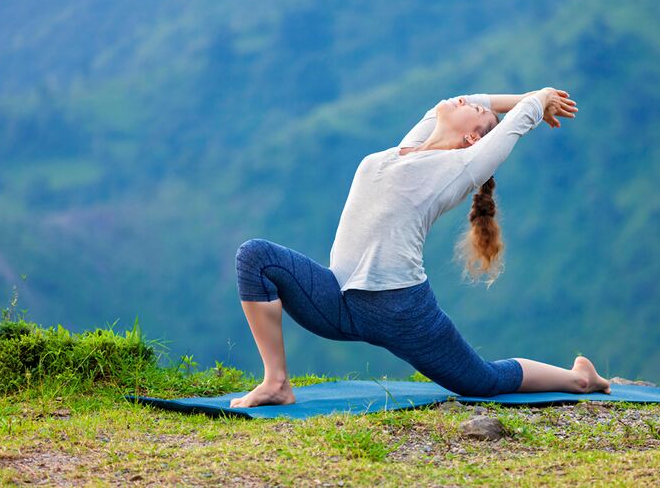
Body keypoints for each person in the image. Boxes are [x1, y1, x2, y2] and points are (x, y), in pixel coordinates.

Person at [232, 87, 611, 408]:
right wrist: (524, 97)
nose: (466, 101)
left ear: (473, 139)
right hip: (338, 300)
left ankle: (579, 379)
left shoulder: (462, 166)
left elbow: (515, 124)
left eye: (475, 110)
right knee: (255, 257)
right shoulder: (408, 148)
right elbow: (467, 102)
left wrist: (542, 98)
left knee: (482, 381)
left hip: (399, 309)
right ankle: (276, 382)